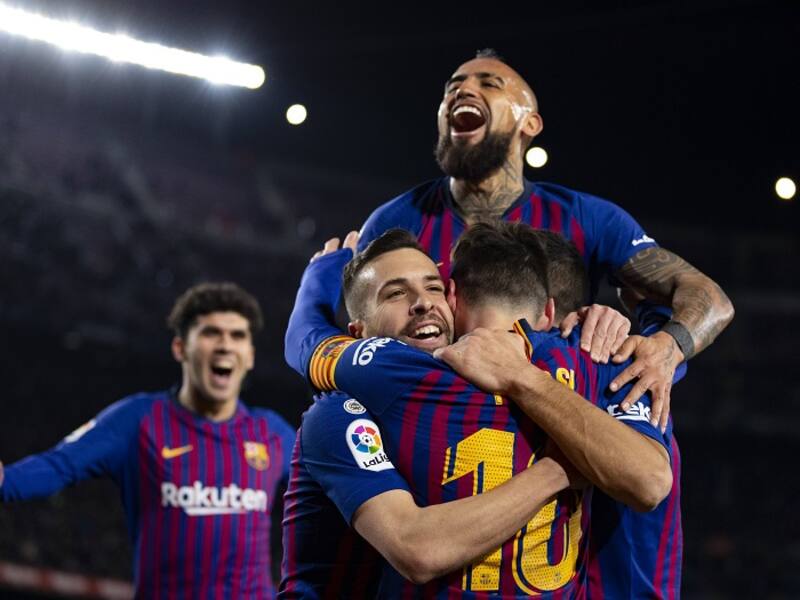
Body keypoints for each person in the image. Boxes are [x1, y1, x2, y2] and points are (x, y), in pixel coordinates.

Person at [283, 225, 676, 597]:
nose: (423, 303)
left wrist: (321, 273)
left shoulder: (389, 370)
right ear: (549, 313)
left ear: (452, 299)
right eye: (395, 294)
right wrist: (559, 469)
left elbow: (305, 339)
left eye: (433, 287)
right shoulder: (601, 361)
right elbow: (414, 548)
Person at [357, 48, 734, 431]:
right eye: (452, 87)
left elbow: (711, 300)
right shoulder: (393, 221)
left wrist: (666, 349)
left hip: (546, 434)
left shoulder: (588, 218)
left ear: (530, 123)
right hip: (424, 430)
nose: (462, 91)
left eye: (489, 84)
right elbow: (354, 332)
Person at [0, 282, 296, 599]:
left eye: (237, 336)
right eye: (211, 333)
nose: (225, 345)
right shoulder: (138, 421)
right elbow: (59, 466)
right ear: (180, 348)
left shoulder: (272, 432)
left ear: (250, 356)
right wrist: (6, 480)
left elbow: (322, 496)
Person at [438, 229, 684, 598]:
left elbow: (649, 481)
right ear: (551, 312)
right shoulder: (618, 359)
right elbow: (686, 304)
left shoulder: (614, 358)